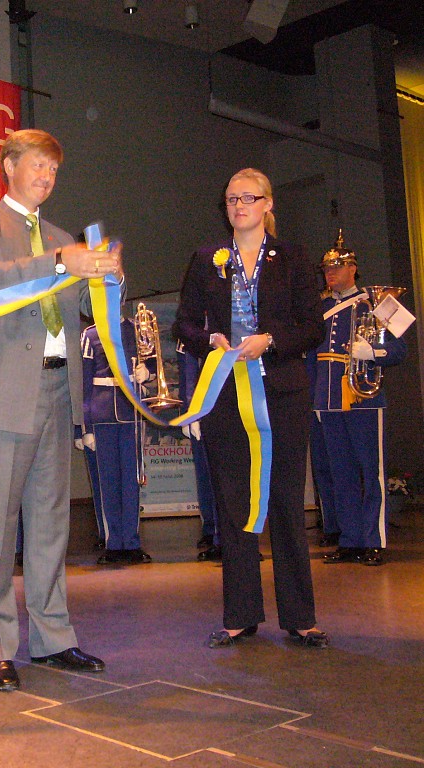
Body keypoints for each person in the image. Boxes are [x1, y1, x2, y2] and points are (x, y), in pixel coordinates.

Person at [0, 128, 122, 692]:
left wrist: (108, 279)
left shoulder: (64, 239)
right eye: (38, 165)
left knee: (50, 523)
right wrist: (58, 261)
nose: (47, 177)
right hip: (2, 392)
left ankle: (53, 638)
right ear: (9, 166)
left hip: (57, 387)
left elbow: (84, 308)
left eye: (53, 169)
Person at [172, 167, 328, 650]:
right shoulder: (206, 259)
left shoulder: (293, 258)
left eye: (248, 198)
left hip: (282, 393)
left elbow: (313, 326)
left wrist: (271, 340)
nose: (238, 206)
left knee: (285, 501)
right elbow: (183, 324)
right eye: (231, 199)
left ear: (267, 204)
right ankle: (240, 615)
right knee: (233, 502)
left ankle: (300, 617)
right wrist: (210, 340)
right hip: (225, 394)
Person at [310, 232, 406, 566]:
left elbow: (400, 349)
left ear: (353, 268)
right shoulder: (321, 308)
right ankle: (350, 540)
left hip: (365, 396)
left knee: (371, 472)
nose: (330, 273)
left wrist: (374, 353)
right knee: (341, 473)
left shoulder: (378, 302)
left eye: (337, 267)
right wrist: (314, 399)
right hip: (328, 398)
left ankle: (374, 540)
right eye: (326, 268)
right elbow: (312, 358)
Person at [79, 315, 152, 565]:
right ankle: (113, 542)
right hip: (102, 415)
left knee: (132, 480)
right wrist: (85, 427)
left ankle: (131, 542)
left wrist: (148, 373)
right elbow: (84, 384)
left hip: (131, 411)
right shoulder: (90, 335)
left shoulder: (137, 329)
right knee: (107, 482)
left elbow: (152, 364)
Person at [177, 344, 221, 562]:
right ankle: (211, 529)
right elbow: (187, 377)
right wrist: (190, 413)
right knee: (205, 476)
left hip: (228, 407)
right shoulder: (190, 339)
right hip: (200, 411)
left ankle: (227, 536)